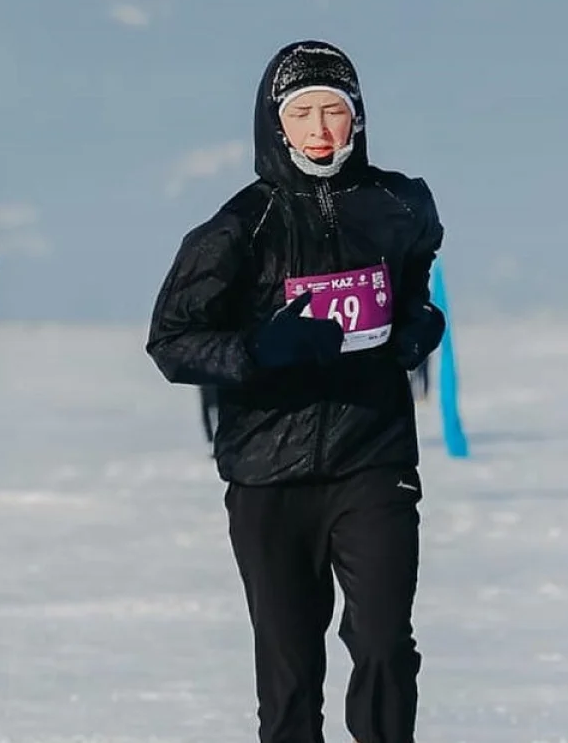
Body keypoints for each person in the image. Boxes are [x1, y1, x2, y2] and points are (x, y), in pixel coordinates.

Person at [145, 40, 444, 743]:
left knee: (383, 645)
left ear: (357, 118)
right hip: (267, 475)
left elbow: (415, 283)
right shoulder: (237, 226)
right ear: (276, 124)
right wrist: (257, 351)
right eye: (302, 112)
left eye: (333, 111)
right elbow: (170, 342)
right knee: (289, 672)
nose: (318, 129)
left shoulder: (399, 203)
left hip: (374, 458)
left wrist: (417, 325)